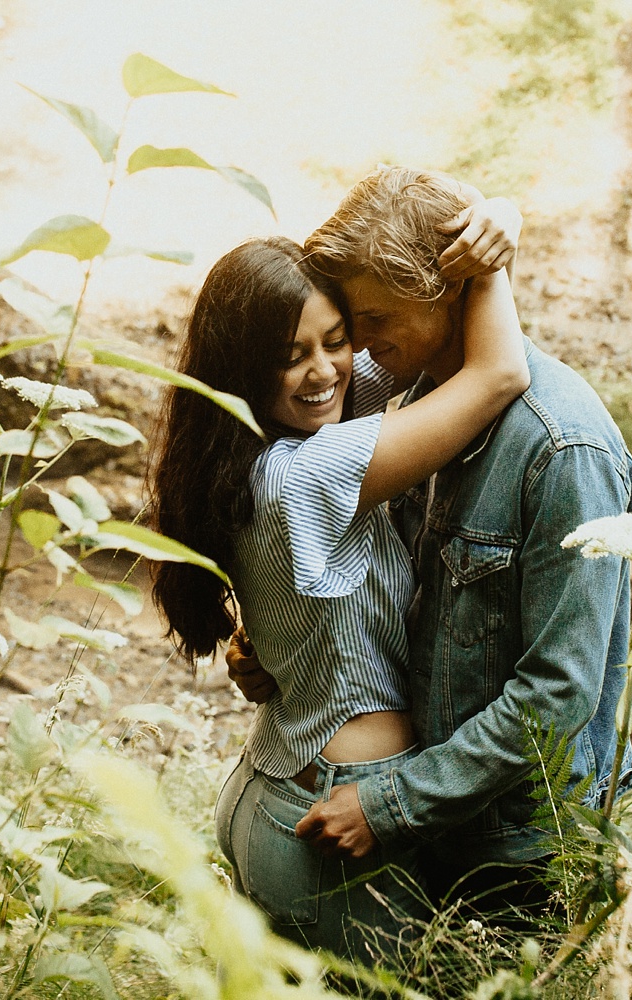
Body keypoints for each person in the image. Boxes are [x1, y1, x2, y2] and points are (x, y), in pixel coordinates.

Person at [228, 166, 632, 920]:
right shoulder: (406, 392)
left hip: (518, 852)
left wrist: (392, 803)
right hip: (437, 834)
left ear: (449, 287)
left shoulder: (561, 450)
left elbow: (558, 694)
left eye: (373, 320)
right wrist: (284, 641)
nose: (361, 348)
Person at [147, 221, 529, 963]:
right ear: (243, 369)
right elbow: (498, 374)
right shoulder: (316, 471)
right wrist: (490, 259)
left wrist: (491, 216)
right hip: (331, 809)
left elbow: (409, 350)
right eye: (290, 357)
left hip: (275, 783)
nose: (325, 370)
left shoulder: (248, 452)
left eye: (338, 337)